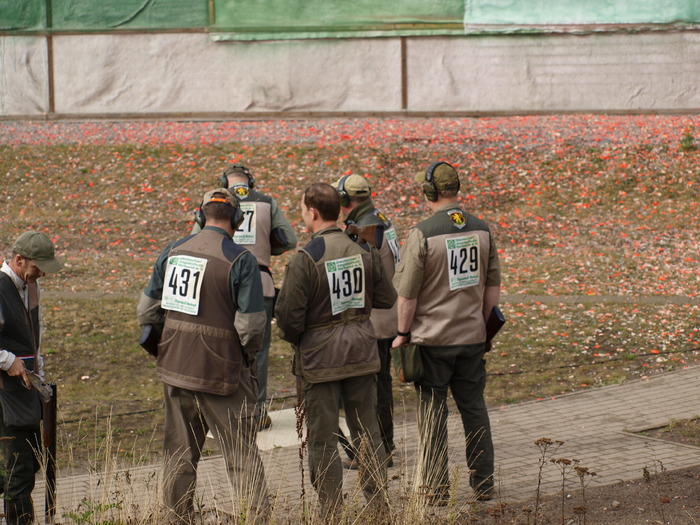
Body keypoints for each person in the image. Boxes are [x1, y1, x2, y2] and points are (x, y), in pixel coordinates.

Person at [138, 188, 270, 523]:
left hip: (175, 368)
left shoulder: (173, 251)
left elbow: (146, 312)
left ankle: (175, 517)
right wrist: (247, 361)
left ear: (200, 215)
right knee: (241, 457)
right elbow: (252, 328)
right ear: (237, 221)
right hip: (222, 374)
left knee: (178, 455)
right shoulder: (241, 261)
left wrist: (166, 348)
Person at [275, 183, 397, 521]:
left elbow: (288, 320)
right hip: (361, 354)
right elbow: (387, 299)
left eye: (302, 210)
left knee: (323, 440)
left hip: (320, 362)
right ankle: (379, 508)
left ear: (313, 213)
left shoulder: (305, 259)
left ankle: (331, 512)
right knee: (368, 433)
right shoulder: (364, 251)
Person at [391, 162, 501, 503]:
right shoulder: (483, 230)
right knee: (474, 408)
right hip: (471, 336)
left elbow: (408, 295)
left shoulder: (422, 233)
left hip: (432, 341)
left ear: (429, 192)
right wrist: (482, 329)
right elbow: (492, 289)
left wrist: (402, 333)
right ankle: (483, 483)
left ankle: (437, 490)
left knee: (432, 414)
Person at [193, 164, 297, 430]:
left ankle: (220, 409)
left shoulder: (213, 203)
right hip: (260, 284)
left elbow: (196, 242)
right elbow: (288, 239)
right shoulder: (266, 202)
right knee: (257, 353)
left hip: (218, 284)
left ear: (222, 180)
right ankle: (256, 412)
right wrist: (264, 247)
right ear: (251, 180)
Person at [332, 174, 400, 468]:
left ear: (345, 200)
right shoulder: (379, 217)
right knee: (381, 384)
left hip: (374, 318)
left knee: (372, 388)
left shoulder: (364, 227)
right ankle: (386, 445)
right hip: (387, 316)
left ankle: (378, 450)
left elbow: (361, 269)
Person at [0, 231, 63, 524]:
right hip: (6, 398)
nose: (42, 273)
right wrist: (8, 360)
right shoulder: (1, 288)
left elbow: (27, 337)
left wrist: (36, 364)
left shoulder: (27, 286)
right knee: (19, 470)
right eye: (37, 267)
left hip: (22, 394)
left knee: (21, 467)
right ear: (18, 259)